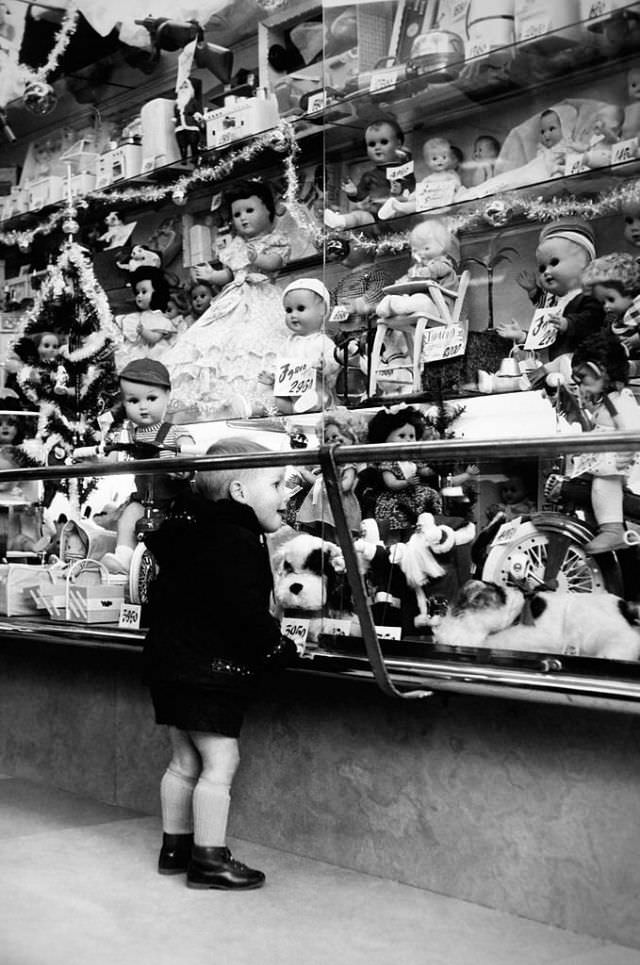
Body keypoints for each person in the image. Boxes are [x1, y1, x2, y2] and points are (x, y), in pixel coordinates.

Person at [143, 437, 294, 890]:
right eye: (276, 484)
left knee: (182, 760)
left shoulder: (187, 533)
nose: (286, 494)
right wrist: (277, 649)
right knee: (221, 761)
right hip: (211, 670)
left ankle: (175, 848)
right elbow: (243, 612)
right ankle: (209, 859)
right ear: (239, 492)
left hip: (169, 662)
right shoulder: (236, 539)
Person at [162, 180, 290, 418]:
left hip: (262, 294)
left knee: (255, 340)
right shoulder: (236, 245)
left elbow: (275, 263)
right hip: (233, 297)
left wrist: (258, 259)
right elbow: (229, 274)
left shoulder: (275, 240)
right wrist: (212, 275)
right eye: (237, 214)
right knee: (215, 340)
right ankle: (216, 402)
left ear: (269, 211)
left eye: (249, 210)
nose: (243, 218)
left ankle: (259, 399)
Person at [101, 359, 195, 574]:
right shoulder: (129, 434)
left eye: (151, 398)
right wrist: (96, 457)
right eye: (133, 400)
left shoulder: (174, 431)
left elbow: (189, 450)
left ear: (167, 396)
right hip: (144, 499)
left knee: (181, 528)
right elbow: (112, 458)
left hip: (174, 501)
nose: (143, 406)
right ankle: (124, 557)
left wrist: (182, 462)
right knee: (129, 515)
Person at [569, 332, 640, 554]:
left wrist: (628, 450)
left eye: (584, 380)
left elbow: (631, 428)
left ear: (601, 373)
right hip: (610, 457)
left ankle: (612, 528)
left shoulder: (621, 401)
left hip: (625, 463)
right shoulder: (606, 402)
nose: (581, 388)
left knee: (604, 480)